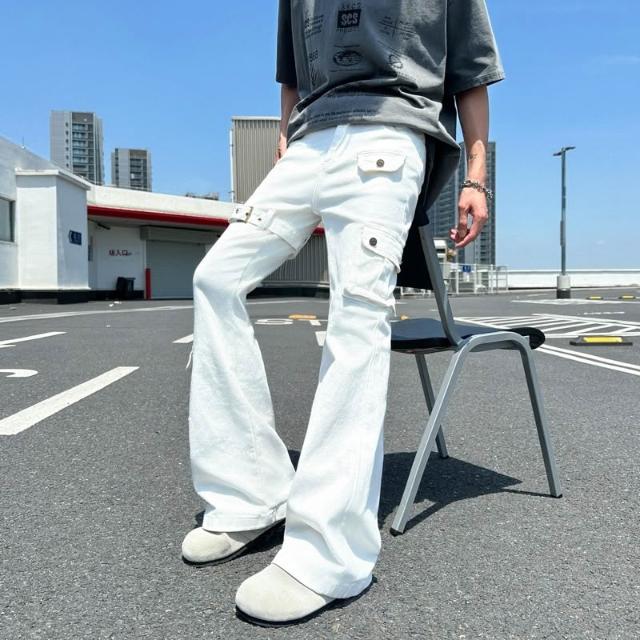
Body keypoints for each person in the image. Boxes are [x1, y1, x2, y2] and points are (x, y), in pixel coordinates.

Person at [182, 0, 505, 627]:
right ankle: (251, 496)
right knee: (215, 279)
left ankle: (329, 555)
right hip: (309, 139)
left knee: (357, 315)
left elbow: (470, 68)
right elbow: (292, 70)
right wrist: (285, 136)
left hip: (390, 131)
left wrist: (475, 176)